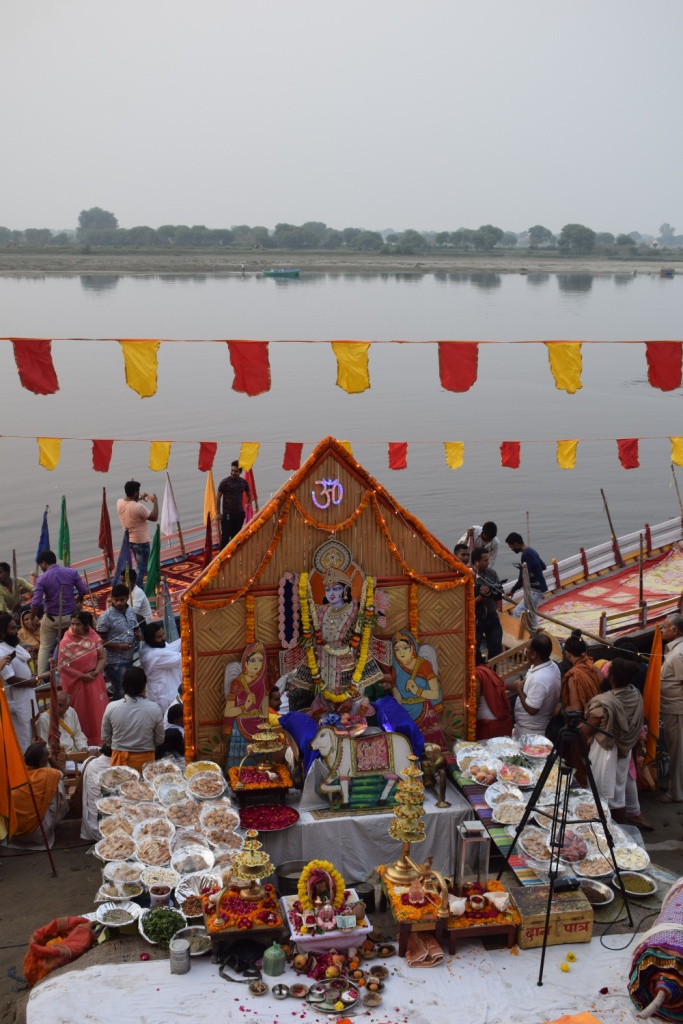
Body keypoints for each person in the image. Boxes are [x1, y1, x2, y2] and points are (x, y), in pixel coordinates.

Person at [584, 658, 644, 818]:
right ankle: (619, 831)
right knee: (618, 796)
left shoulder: (604, 702)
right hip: (624, 751)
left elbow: (587, 728)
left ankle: (602, 832)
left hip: (605, 752)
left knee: (598, 794)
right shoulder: (635, 694)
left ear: (612, 678)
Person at [550, 631, 603, 783]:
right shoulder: (595, 668)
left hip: (583, 729)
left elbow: (576, 709)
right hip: (599, 724)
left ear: (567, 654)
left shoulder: (574, 675)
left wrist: (560, 710)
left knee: (580, 772)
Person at [31, 550, 88, 676]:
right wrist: (78, 599)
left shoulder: (41, 579)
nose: (41, 568)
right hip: (70, 618)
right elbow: (83, 590)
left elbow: (35, 603)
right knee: (72, 643)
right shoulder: (71, 572)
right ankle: (73, 670)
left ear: (44, 563)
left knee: (45, 646)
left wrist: (32, 618)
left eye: (41, 565)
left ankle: (42, 676)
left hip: (51, 619)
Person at [57, 611, 108, 745]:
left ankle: (101, 743)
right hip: (77, 683)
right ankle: (82, 745)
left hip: (94, 679)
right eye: (72, 624)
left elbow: (102, 657)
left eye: (78, 624)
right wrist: (82, 676)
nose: (74, 627)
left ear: (85, 625)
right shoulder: (66, 641)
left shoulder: (93, 636)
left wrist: (96, 672)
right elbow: (63, 666)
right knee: (82, 714)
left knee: (98, 713)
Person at [100, 666, 165, 771]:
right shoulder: (154, 709)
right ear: (144, 686)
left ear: (123, 685)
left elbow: (105, 737)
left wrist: (121, 745)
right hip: (145, 763)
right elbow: (159, 740)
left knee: (119, 787)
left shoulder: (111, 707)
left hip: (119, 762)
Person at [390, 630, 445, 745]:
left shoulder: (423, 665)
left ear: (412, 648)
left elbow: (435, 694)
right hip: (406, 715)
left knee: (431, 750)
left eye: (405, 648)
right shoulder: (396, 669)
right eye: (397, 649)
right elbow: (397, 696)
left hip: (423, 713)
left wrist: (417, 691)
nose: (401, 652)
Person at [11, 742, 68, 849]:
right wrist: (51, 759)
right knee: (58, 782)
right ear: (42, 762)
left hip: (13, 836)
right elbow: (63, 773)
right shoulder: (48, 774)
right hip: (38, 835)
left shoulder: (16, 772)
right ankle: (54, 822)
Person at [223, 642, 269, 766]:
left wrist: (267, 728)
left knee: (262, 766)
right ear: (245, 662)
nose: (257, 664)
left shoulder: (263, 681)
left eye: (260, 660)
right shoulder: (237, 683)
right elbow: (228, 711)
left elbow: (265, 708)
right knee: (240, 767)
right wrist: (244, 707)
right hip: (241, 727)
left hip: (260, 728)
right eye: (253, 660)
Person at [507, 633, 561, 740]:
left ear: (534, 654)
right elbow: (525, 686)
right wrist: (504, 686)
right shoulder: (552, 665)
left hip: (531, 732)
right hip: (527, 727)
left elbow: (532, 710)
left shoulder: (539, 679)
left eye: (527, 648)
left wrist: (518, 690)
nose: (525, 651)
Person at [0, 612, 39, 753]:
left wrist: (32, 675)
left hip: (26, 700)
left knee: (30, 738)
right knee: (22, 743)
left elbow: (26, 661)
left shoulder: (14, 644)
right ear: (2, 632)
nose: (16, 631)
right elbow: (11, 680)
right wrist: (32, 681)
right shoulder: (0, 651)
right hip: (16, 705)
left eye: (15, 627)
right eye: (11, 629)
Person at [96, 584, 141, 699]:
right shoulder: (106, 617)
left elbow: (135, 628)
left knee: (129, 689)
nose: (119, 603)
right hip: (114, 662)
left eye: (122, 600)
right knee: (122, 692)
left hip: (130, 658)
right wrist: (118, 646)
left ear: (127, 597)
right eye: (116, 600)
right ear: (112, 598)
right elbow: (100, 641)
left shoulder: (131, 611)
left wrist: (137, 634)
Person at [657, 614, 683, 803]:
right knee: (674, 748)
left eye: (665, 627)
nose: (662, 629)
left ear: (674, 631)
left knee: (677, 750)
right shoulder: (674, 650)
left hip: (677, 709)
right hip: (670, 706)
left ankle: (676, 792)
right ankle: (676, 784)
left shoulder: (679, 654)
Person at [116, 480, 158, 589]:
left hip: (130, 541)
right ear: (135, 492)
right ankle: (137, 589)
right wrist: (155, 502)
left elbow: (130, 503)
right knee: (141, 568)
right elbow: (154, 517)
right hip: (141, 542)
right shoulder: (139, 507)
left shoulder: (119, 502)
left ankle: (138, 586)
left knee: (139, 566)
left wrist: (140, 497)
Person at [505, 532, 548, 629]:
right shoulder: (532, 551)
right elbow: (543, 566)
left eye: (511, 546)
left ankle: (518, 635)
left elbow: (522, 578)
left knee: (518, 611)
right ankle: (537, 634)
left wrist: (513, 590)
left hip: (536, 589)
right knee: (532, 614)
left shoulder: (526, 555)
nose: (511, 549)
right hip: (540, 587)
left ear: (516, 544)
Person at [138, 620, 182, 713]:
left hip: (168, 692)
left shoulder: (157, 645)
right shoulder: (153, 655)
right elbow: (180, 658)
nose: (163, 638)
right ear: (150, 639)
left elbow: (170, 648)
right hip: (164, 697)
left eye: (163, 634)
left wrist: (187, 638)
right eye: (159, 637)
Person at [36, 689, 89, 758]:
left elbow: (78, 734)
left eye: (61, 705)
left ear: (67, 706)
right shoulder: (43, 720)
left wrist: (83, 749)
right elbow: (45, 748)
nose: (57, 708)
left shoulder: (71, 711)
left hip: (75, 752)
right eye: (55, 704)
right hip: (60, 758)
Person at [472, 547, 504, 660]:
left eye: (488, 560)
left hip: (492, 617)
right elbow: (466, 603)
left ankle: (493, 672)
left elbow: (500, 592)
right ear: (476, 562)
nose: (488, 563)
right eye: (485, 561)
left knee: (496, 648)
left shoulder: (491, 573)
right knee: (474, 650)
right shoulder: (469, 577)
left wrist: (493, 592)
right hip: (476, 620)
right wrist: (480, 597)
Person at [475, 650, 513, 740]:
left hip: (489, 730)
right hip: (502, 726)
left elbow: (473, 706)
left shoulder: (476, 674)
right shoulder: (485, 669)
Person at [80, 743, 112, 842]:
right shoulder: (121, 767)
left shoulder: (89, 763)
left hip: (91, 829)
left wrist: (91, 757)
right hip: (112, 831)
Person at [217, 460, 251, 549]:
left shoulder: (243, 482)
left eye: (236, 471)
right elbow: (218, 497)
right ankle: (221, 559)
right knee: (225, 537)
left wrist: (247, 508)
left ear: (240, 472)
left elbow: (249, 494)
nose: (233, 473)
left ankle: (232, 557)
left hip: (239, 514)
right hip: (227, 514)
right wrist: (218, 513)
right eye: (232, 470)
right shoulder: (224, 482)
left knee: (235, 537)